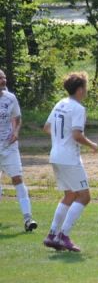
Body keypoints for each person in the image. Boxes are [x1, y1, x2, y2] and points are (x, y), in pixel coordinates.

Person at [43, 72, 98, 252]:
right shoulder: (78, 108)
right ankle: (63, 236)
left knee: (70, 195)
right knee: (84, 196)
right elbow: (76, 135)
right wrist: (92, 145)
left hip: (56, 156)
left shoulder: (60, 103)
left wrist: (60, 140)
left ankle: (52, 234)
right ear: (81, 89)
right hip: (69, 158)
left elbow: (47, 128)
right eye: (86, 87)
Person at [0, 69, 37, 232]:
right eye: (0, 78)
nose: (3, 81)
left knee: (18, 179)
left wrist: (15, 132)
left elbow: (17, 118)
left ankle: (28, 219)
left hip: (9, 147)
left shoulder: (10, 98)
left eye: (4, 78)